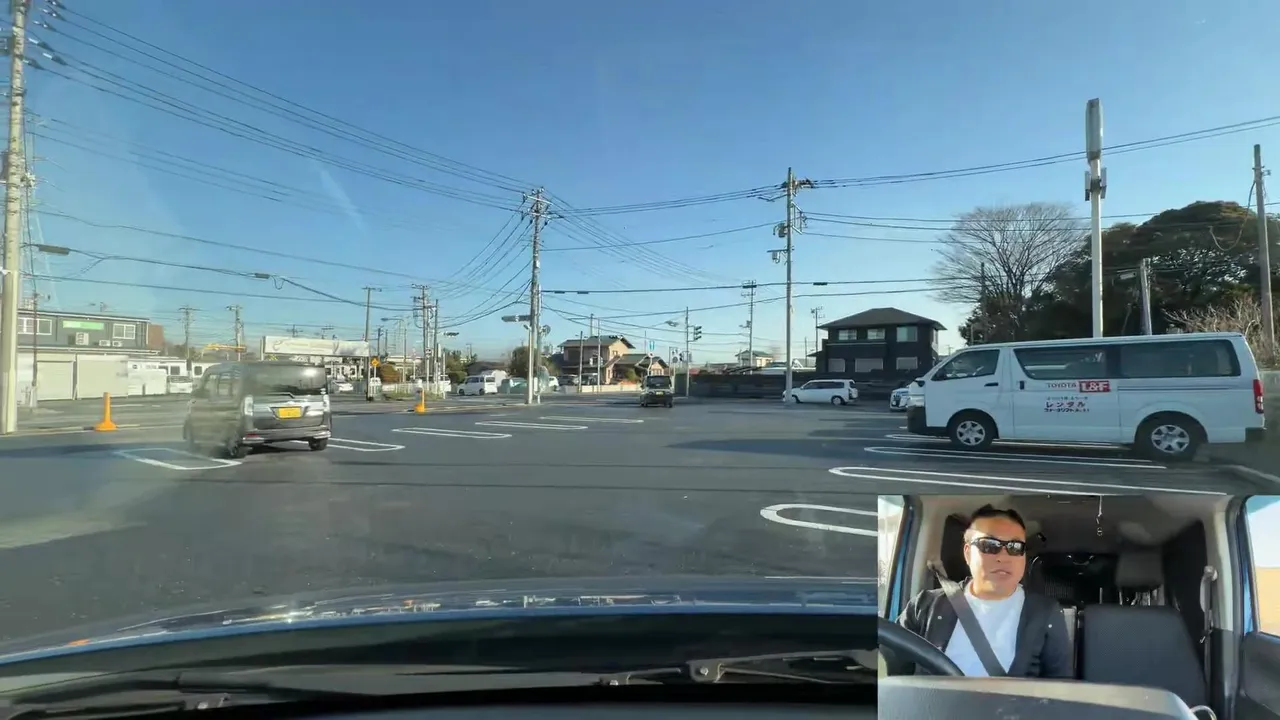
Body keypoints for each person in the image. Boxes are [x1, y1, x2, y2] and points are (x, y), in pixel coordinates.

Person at [887, 504, 1072, 678]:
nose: (1003, 557)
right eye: (989, 545)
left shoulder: (1045, 613)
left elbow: (1059, 686)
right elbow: (889, 668)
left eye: (1015, 547)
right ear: (967, 553)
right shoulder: (925, 606)